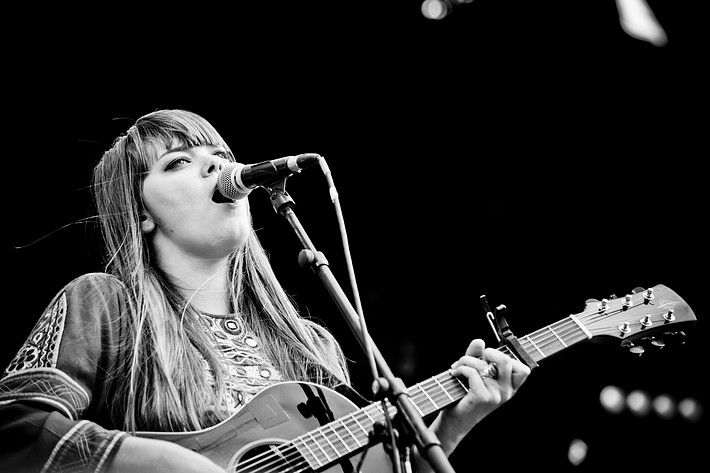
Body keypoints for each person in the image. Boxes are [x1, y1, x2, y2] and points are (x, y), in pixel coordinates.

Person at [0, 109, 531, 473]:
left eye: (219, 152)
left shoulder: (311, 346)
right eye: (178, 161)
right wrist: (170, 462)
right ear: (140, 212)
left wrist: (450, 429)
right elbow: (15, 432)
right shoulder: (103, 305)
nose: (216, 163)